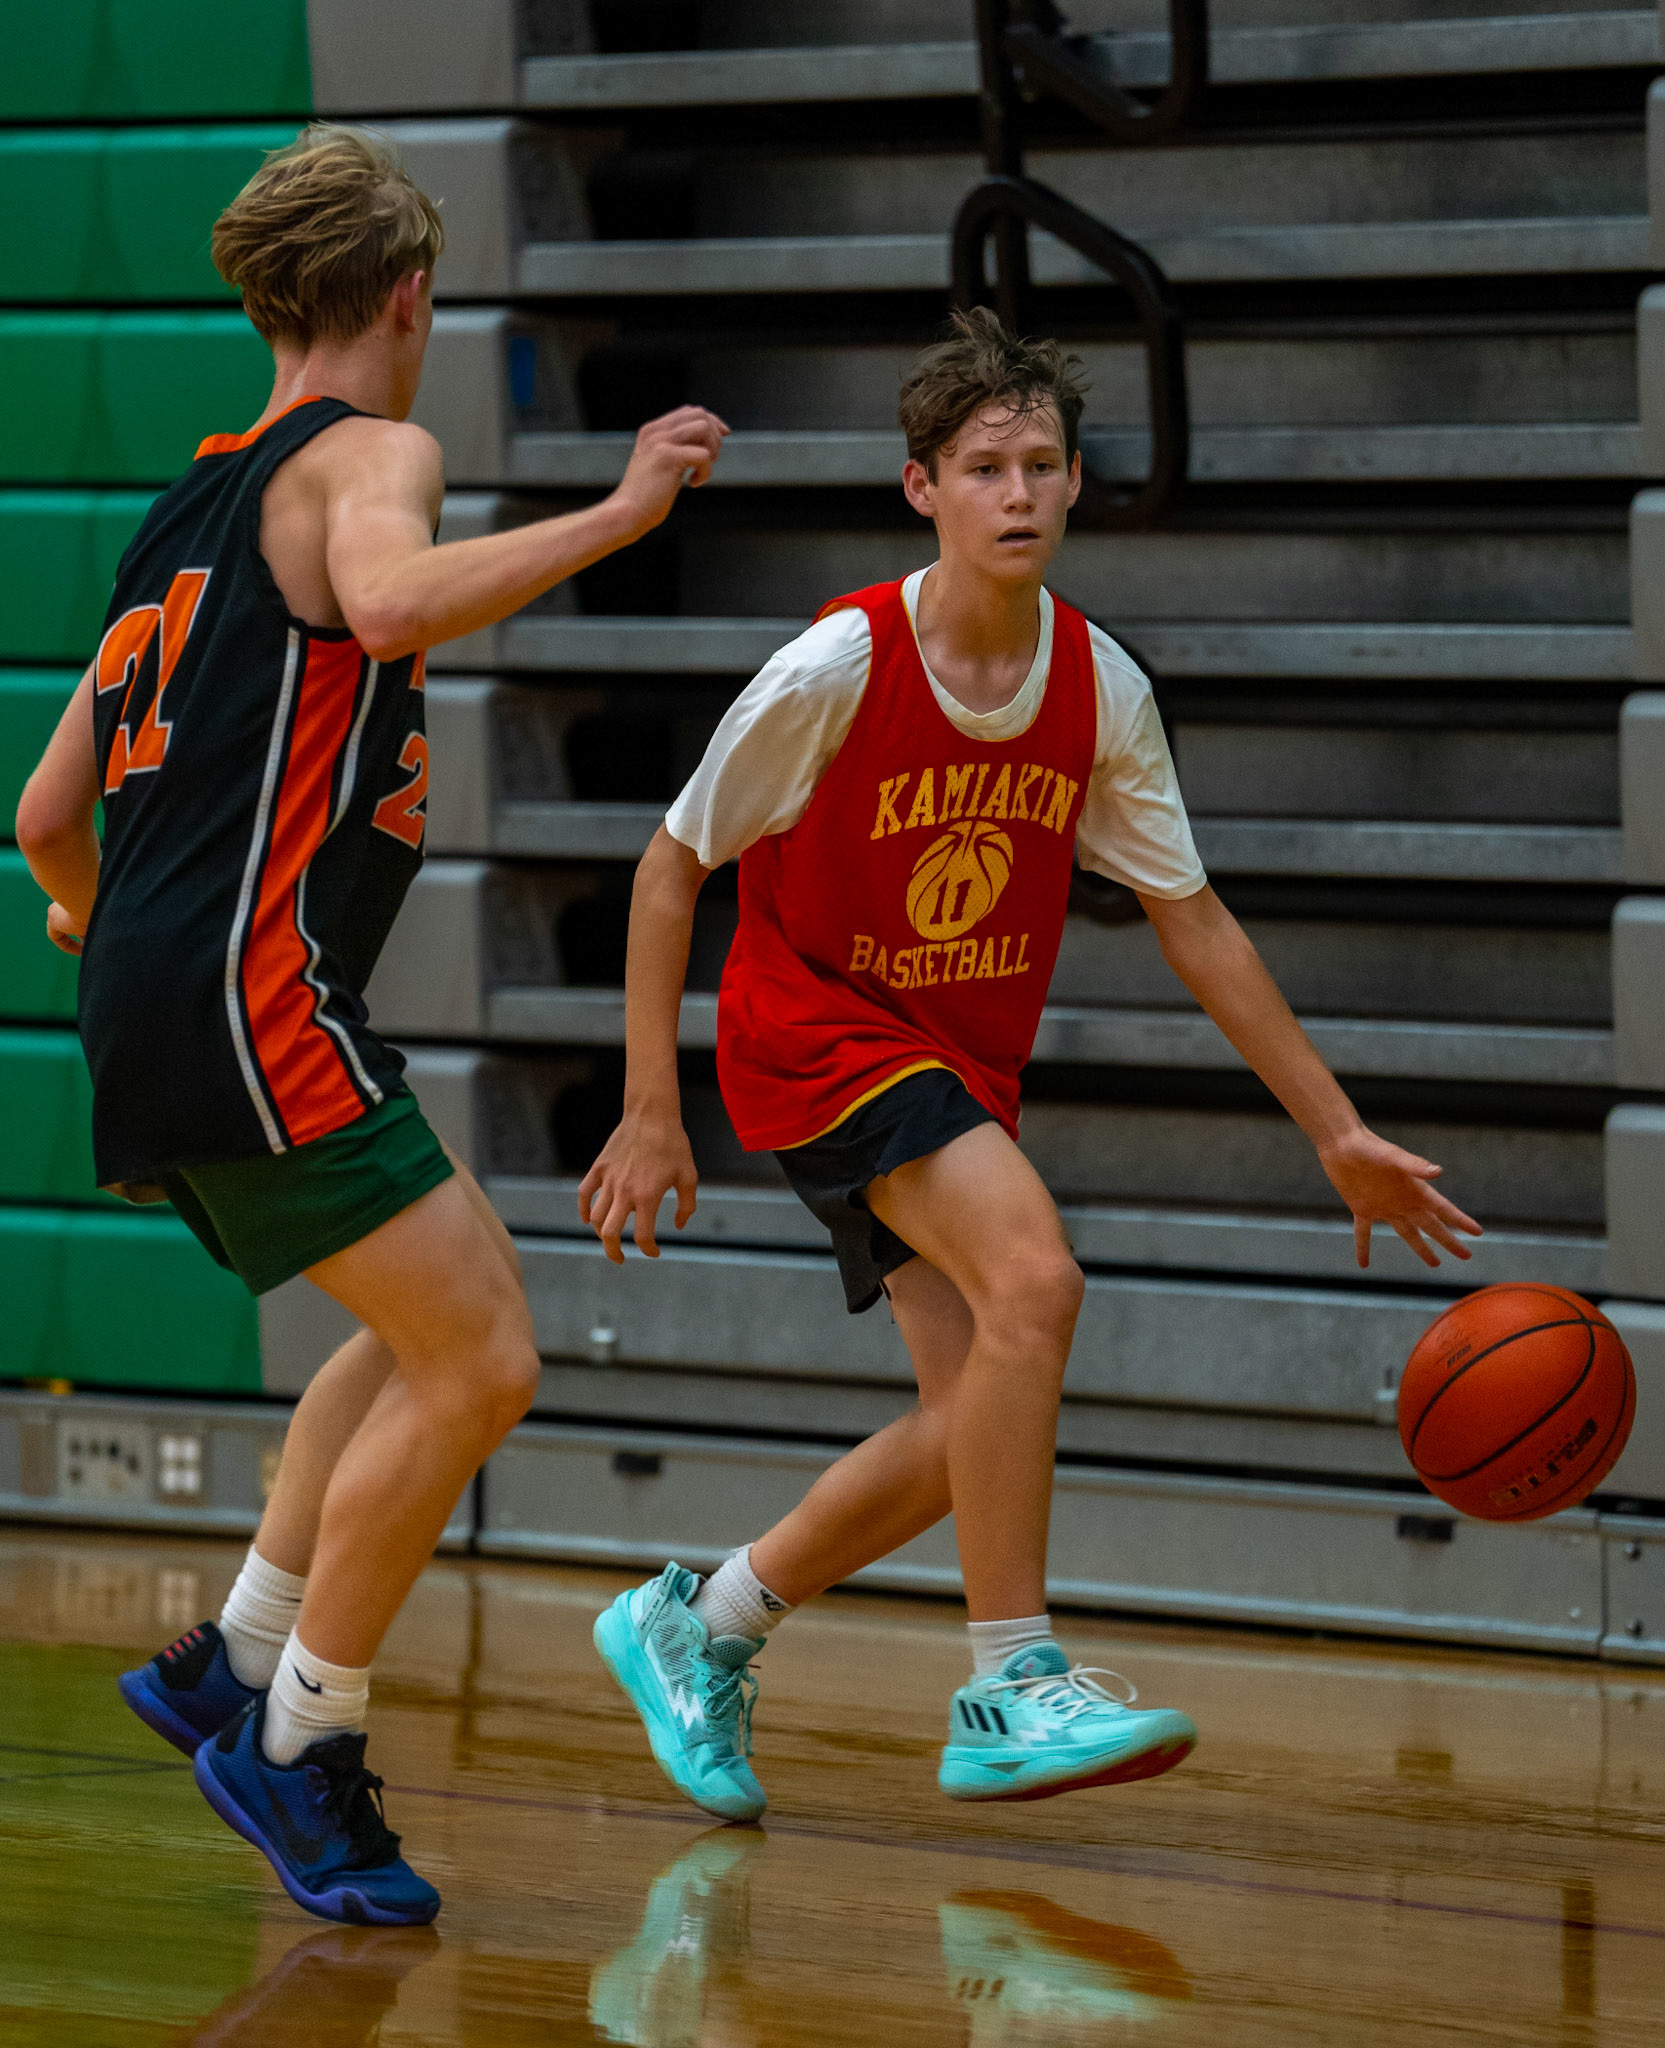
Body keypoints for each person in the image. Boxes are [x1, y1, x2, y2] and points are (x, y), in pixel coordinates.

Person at [578, 308, 1482, 1820]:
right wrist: (649, 1111)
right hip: (814, 1036)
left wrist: (1335, 1132)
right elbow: (670, 866)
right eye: (985, 468)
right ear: (921, 487)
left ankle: (703, 1620)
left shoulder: (1097, 685)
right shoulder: (838, 663)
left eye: (1043, 465)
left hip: (954, 1059)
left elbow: (1192, 920)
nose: (1018, 493)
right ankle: (1009, 1681)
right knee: (1038, 1282)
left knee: (970, 1430)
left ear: (1072, 484)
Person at [14, 124, 727, 1923]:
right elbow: (395, 598)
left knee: (425, 1320)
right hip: (249, 1002)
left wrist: (104, 926)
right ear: (407, 297)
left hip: (174, 1001)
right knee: (482, 1360)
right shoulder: (371, 453)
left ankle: (239, 1657)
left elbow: (44, 815)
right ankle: (299, 1738)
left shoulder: (181, 507)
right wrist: (621, 515)